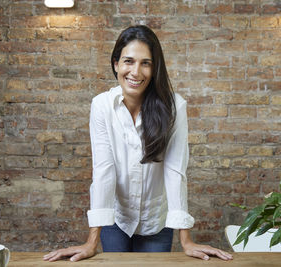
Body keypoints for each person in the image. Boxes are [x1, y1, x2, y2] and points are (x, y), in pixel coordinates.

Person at [43, 25, 233, 262]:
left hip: (156, 221)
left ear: (154, 69)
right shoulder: (101, 106)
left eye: (146, 63)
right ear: (116, 64)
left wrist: (186, 239)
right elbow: (104, 170)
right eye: (129, 61)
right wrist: (92, 241)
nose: (136, 71)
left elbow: (175, 172)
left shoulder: (175, 108)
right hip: (116, 219)